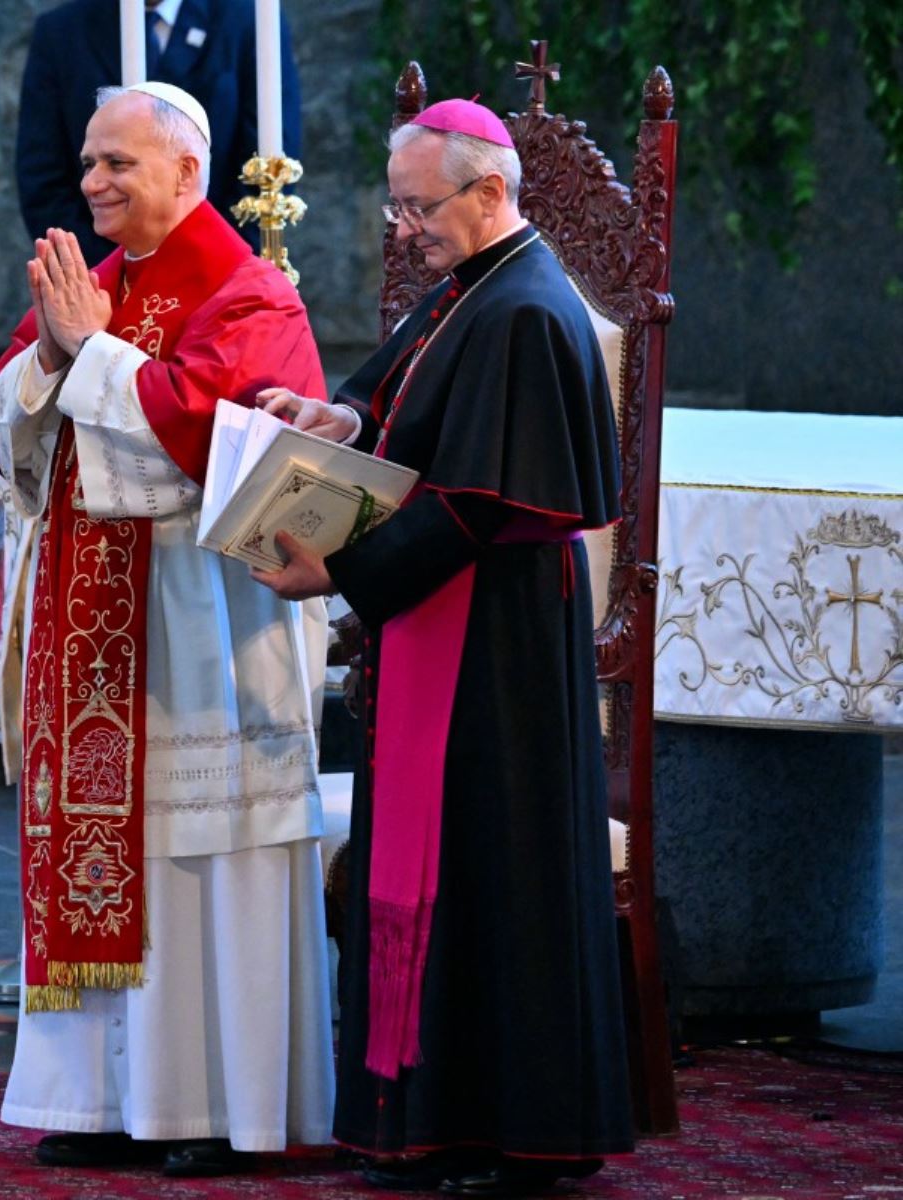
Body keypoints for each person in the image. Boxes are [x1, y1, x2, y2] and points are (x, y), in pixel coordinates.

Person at [250, 99, 634, 1196]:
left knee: (490, 869)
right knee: (448, 862)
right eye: (398, 204)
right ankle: (432, 1120)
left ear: (489, 192)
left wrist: (338, 571)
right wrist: (338, 421)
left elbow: (475, 499)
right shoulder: (474, 287)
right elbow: (405, 400)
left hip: (497, 637)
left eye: (420, 206)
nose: (405, 226)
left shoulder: (521, 307)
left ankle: (495, 1129)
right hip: (449, 620)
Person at [0, 82, 335, 1178]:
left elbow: (202, 453)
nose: (92, 182)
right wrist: (50, 359)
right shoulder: (97, 287)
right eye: (88, 163)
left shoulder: (249, 292)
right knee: (107, 856)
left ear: (188, 172)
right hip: (94, 643)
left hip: (200, 640)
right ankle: (101, 1104)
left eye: (117, 164)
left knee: (197, 866)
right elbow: (8, 423)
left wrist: (87, 355)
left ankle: (215, 1109)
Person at [15, 0, 303, 264]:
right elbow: (43, 177)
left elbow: (268, 158)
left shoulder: (246, 20)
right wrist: (110, 273)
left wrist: (217, 265)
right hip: (103, 284)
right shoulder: (62, 32)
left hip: (219, 269)